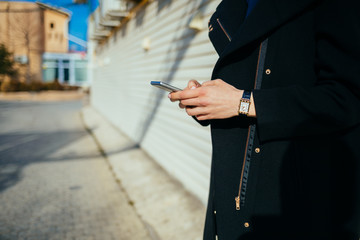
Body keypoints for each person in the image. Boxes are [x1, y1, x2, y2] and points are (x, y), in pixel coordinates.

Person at [169, 0, 360, 239]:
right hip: (234, 186)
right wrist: (209, 100)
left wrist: (242, 102)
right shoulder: (236, 6)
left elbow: (346, 97)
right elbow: (249, 85)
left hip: (295, 201)